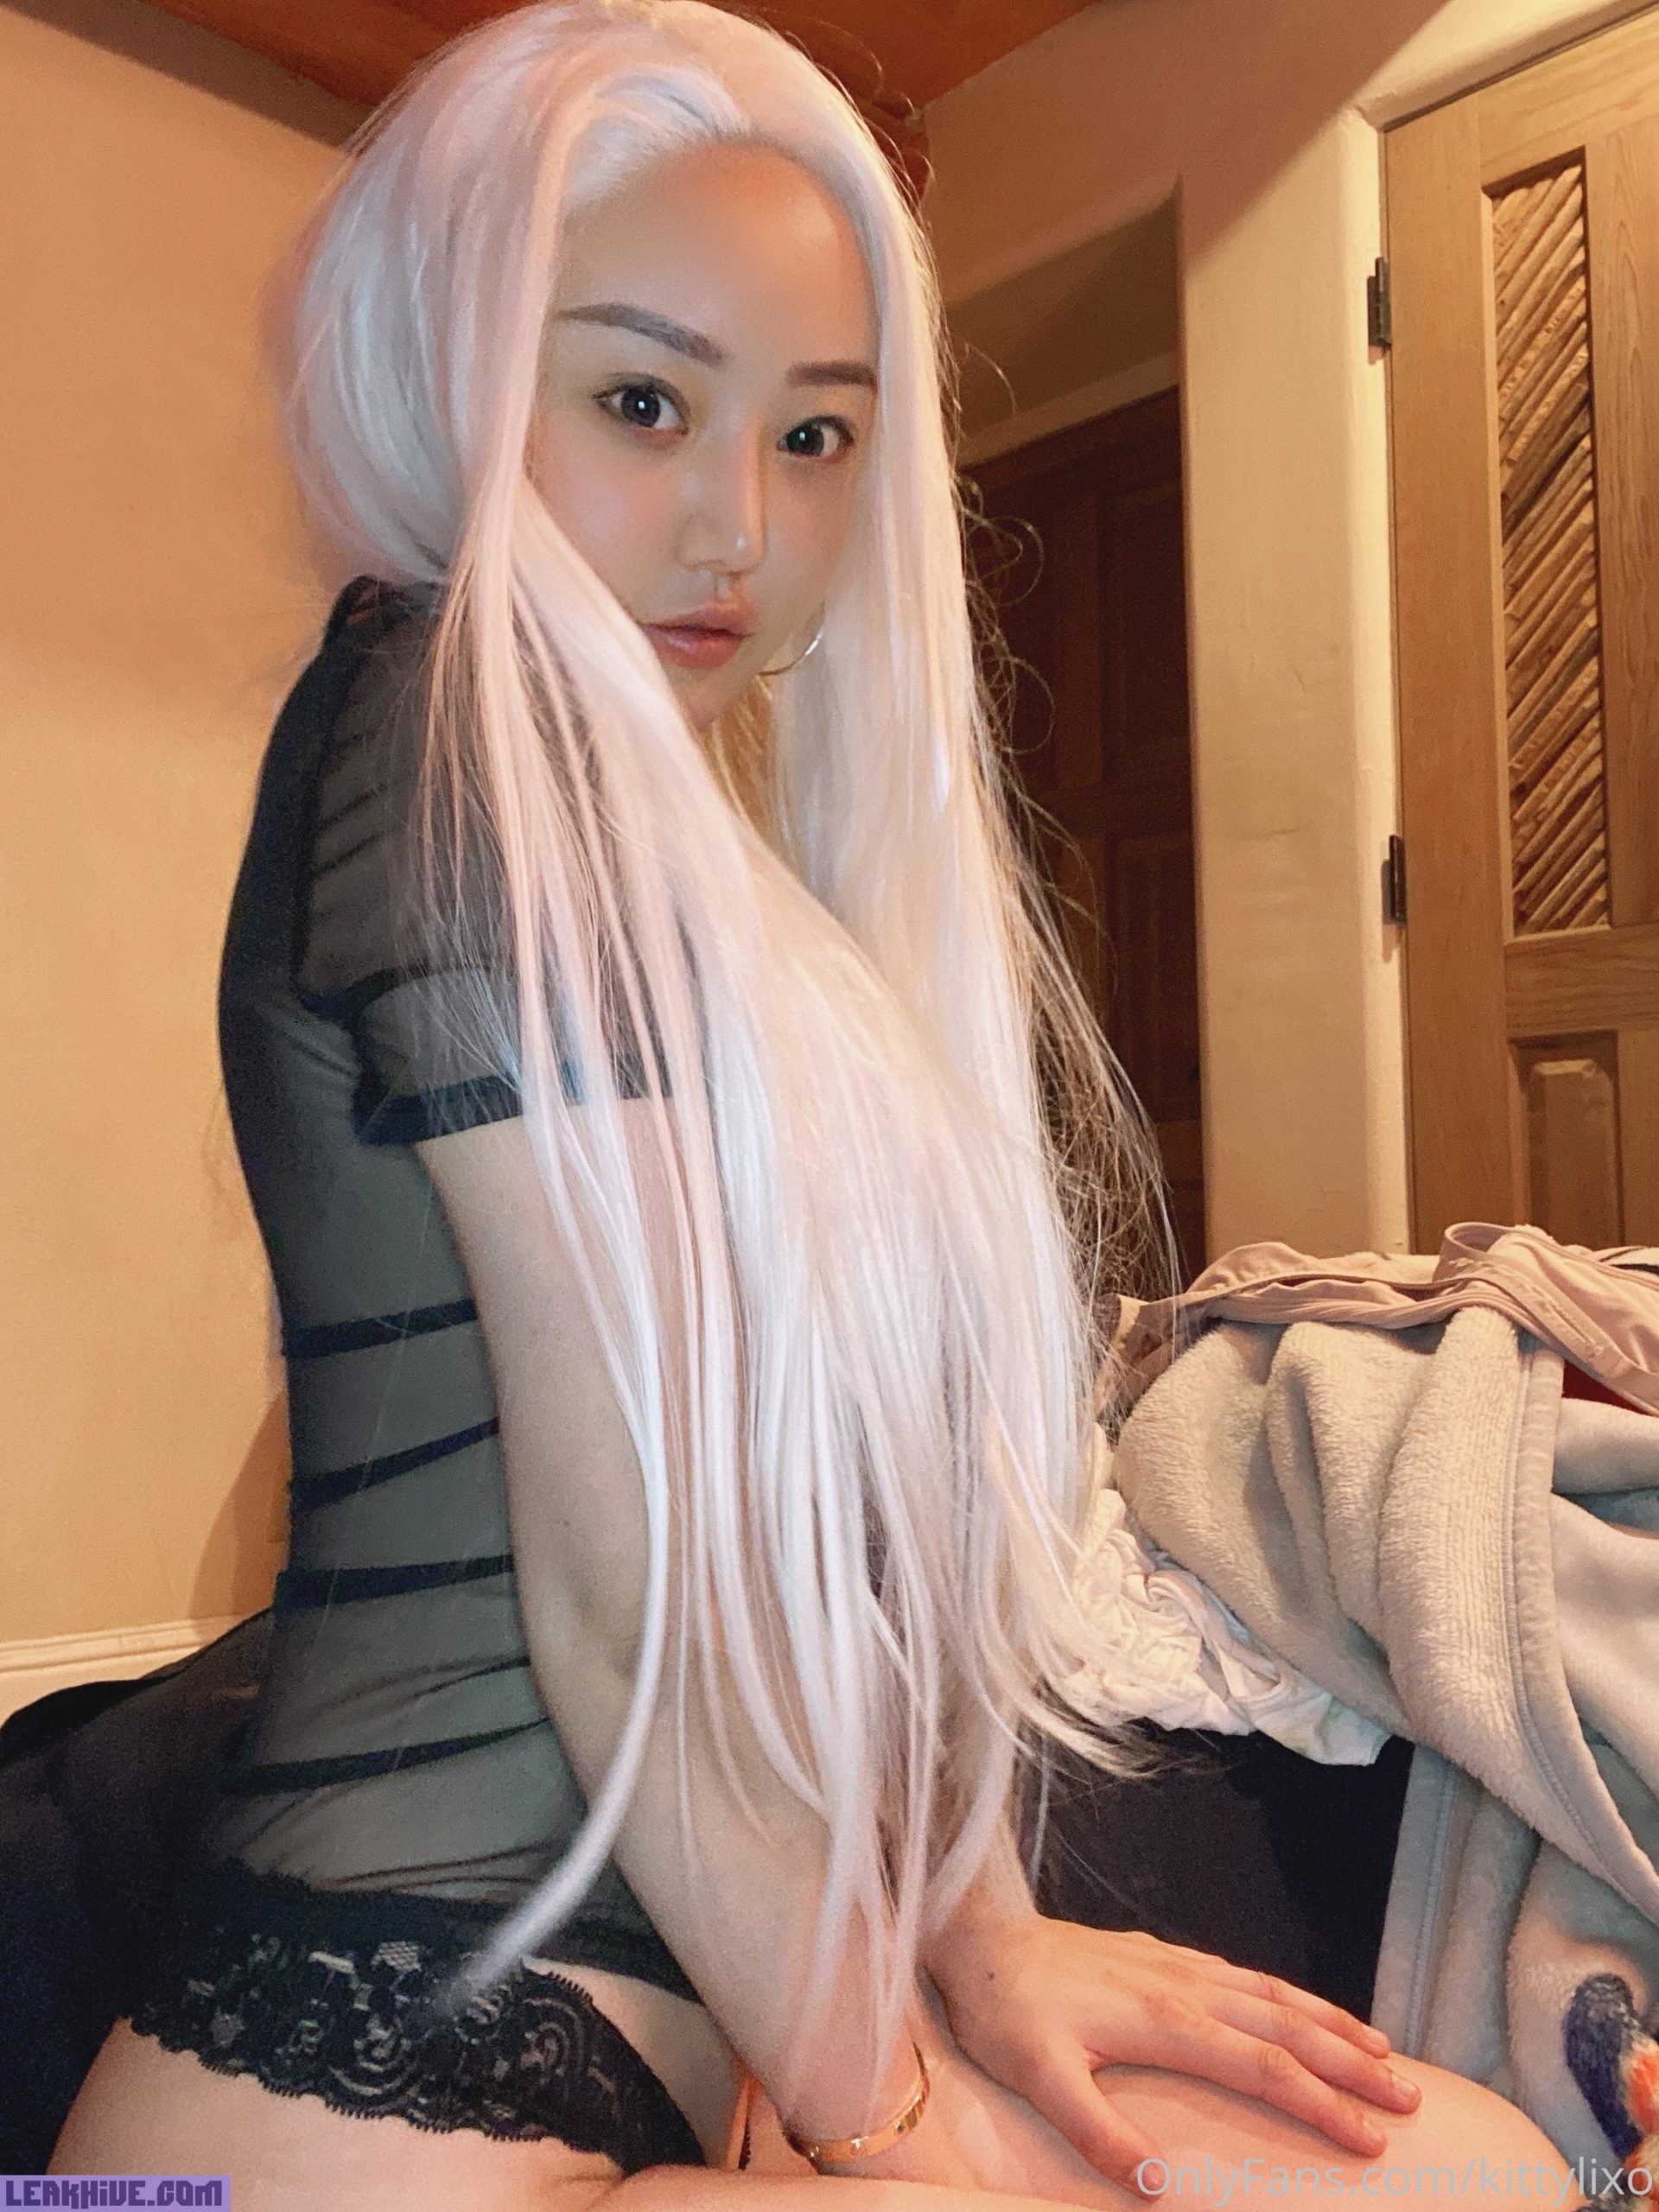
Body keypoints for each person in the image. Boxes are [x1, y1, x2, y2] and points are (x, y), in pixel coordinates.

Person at [49, 3, 1587, 2205]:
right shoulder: (452, 707)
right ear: (464, 369)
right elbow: (632, 1599)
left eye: (818, 434)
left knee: (1468, 2163)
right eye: (642, 401)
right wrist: (891, 2108)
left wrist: (983, 1944)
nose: (738, 524)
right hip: (339, 2112)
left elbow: (813, 1544)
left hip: (587, 2060)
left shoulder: (686, 855)